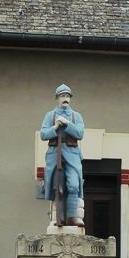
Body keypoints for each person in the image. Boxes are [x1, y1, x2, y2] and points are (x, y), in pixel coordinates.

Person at [40, 84, 85, 226]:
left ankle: (73, 217)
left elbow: (79, 133)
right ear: (57, 98)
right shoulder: (50, 115)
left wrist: (67, 124)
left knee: (73, 185)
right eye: (62, 96)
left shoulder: (76, 116)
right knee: (56, 186)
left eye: (67, 96)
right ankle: (56, 218)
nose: (65, 99)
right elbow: (43, 134)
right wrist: (55, 127)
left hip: (72, 152)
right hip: (55, 153)